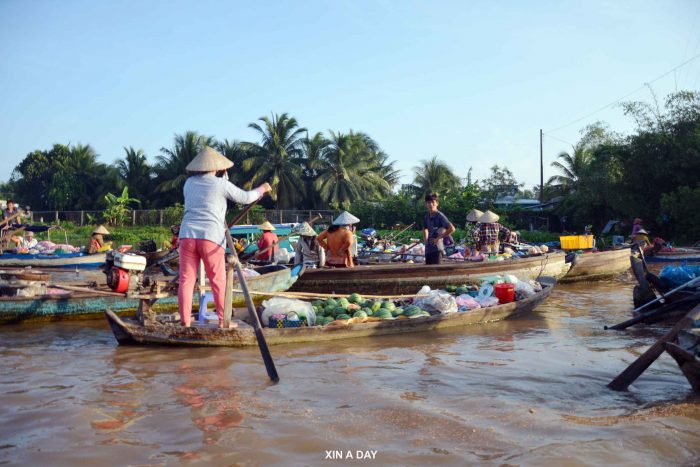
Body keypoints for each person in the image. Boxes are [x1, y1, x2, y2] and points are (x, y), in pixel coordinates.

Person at [177, 146, 272, 328]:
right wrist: (261, 189)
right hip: (210, 236)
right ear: (217, 167)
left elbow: (204, 195)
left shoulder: (188, 183)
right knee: (218, 280)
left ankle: (185, 322)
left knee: (186, 280)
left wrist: (223, 180)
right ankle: (223, 321)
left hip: (187, 235)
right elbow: (245, 197)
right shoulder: (221, 184)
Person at [422, 193, 455, 265]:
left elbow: (452, 229)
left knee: (436, 270)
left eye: (432, 202)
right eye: (428, 203)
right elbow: (425, 228)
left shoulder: (440, 216)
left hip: (437, 249)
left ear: (437, 203)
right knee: (428, 271)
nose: (430, 204)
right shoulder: (426, 216)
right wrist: (426, 241)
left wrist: (438, 238)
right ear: (426, 204)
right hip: (428, 249)